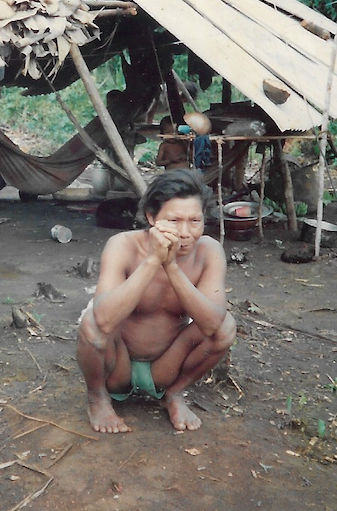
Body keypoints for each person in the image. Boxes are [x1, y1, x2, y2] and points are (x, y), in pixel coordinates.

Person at [76, 169, 236, 434]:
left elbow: (210, 325)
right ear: (152, 217)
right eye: (174, 220)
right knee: (91, 322)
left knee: (226, 326)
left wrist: (171, 266)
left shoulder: (208, 251)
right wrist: (153, 260)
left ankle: (174, 394)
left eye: (195, 220)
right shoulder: (122, 245)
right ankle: (97, 398)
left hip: (167, 366)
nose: (185, 233)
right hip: (118, 366)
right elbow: (103, 320)